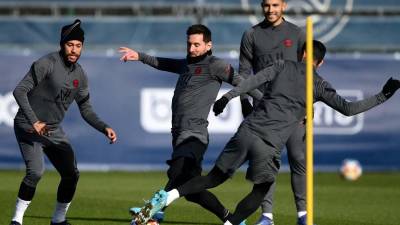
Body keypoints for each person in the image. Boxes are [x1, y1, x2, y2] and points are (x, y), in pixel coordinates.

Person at [132, 40, 400, 225]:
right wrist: (383, 95)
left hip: (246, 132)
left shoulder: (282, 65)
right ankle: (234, 223)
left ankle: (167, 196)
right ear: (321, 62)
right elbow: (349, 109)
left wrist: (227, 98)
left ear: (302, 54)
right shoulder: (319, 84)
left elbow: (251, 81)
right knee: (261, 190)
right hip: (269, 144)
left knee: (213, 178)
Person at [119, 24, 262, 225]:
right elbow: (163, 63)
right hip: (178, 133)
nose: (192, 48)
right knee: (193, 191)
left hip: (195, 134)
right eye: (189, 44)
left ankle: (150, 213)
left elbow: (244, 83)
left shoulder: (216, 65)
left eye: (197, 44)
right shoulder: (186, 64)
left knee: (177, 172)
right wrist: (140, 56)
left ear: (208, 45)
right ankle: (232, 219)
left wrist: (267, 102)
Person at [9, 19, 117, 225]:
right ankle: (17, 220)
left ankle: (58, 220)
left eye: (78, 46)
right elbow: (19, 91)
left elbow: (86, 109)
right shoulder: (46, 63)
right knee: (36, 172)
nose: (74, 49)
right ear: (62, 45)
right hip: (28, 126)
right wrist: (34, 122)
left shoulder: (80, 75)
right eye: (70, 44)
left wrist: (104, 127)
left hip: (52, 130)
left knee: (71, 174)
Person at [239, 0, 307, 224]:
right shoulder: (251, 34)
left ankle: (303, 215)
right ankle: (266, 216)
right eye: (267, 5)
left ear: (284, 6)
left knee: (298, 159)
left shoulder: (297, 34)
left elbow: (308, 73)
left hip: (293, 110)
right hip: (264, 111)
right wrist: (245, 104)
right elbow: (243, 75)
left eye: (275, 5)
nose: (271, 9)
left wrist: (308, 105)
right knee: (266, 163)